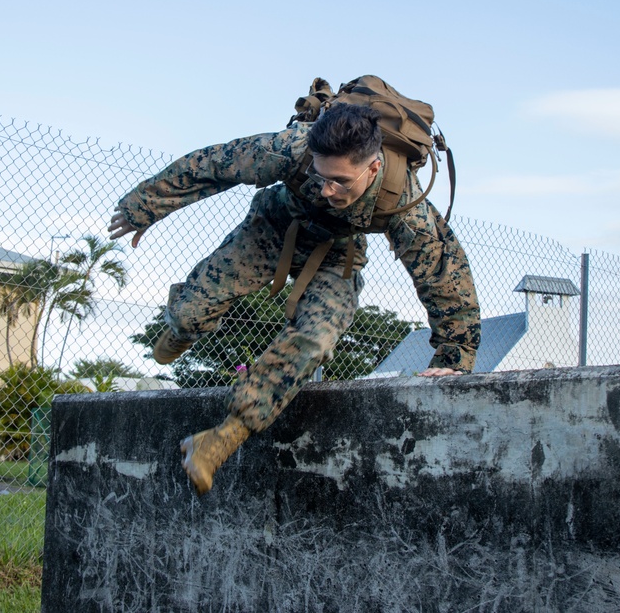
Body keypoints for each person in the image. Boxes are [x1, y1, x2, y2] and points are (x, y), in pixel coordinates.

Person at [108, 102, 480, 495]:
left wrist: (455, 357)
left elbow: (444, 277)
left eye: (340, 181)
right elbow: (211, 164)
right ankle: (184, 324)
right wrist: (144, 207)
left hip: (336, 254)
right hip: (272, 229)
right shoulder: (291, 147)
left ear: (372, 168)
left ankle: (218, 441)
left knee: (316, 339)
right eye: (321, 177)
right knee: (190, 315)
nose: (327, 189)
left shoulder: (406, 204)